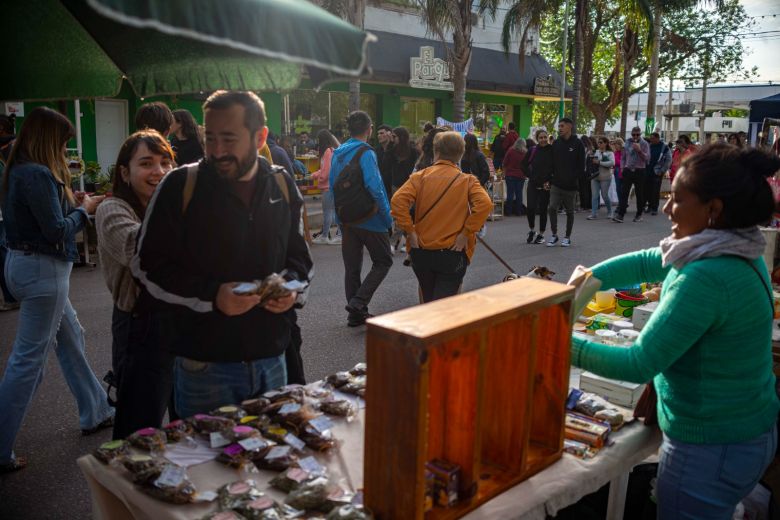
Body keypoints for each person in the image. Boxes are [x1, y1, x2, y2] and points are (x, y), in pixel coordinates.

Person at [572, 143, 780, 519]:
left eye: (678, 200)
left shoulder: (707, 276)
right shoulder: (737, 248)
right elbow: (649, 261)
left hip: (711, 449)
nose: (666, 207)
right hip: (747, 433)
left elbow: (638, 363)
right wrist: (588, 280)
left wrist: (556, 338)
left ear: (713, 209)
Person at [132, 91, 313, 418]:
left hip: (273, 360)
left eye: (228, 139)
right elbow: (146, 267)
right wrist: (214, 296)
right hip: (204, 367)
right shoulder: (179, 185)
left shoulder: (282, 184)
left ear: (260, 137)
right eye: (210, 137)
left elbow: (300, 260)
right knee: (209, 468)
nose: (216, 150)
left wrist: (291, 290)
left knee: (275, 462)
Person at [0, 107, 114, 472]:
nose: (66, 150)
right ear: (50, 139)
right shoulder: (37, 173)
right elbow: (57, 230)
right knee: (27, 363)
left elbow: (42, 219)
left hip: (25, 265)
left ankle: (95, 410)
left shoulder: (19, 169)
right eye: (64, 143)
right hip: (44, 271)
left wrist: (71, 203)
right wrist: (86, 210)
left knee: (71, 338)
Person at [96, 131, 175, 438]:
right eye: (147, 163)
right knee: (138, 432)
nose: (159, 171)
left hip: (177, 323)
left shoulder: (169, 208)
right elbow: (139, 250)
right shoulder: (111, 209)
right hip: (139, 328)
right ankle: (126, 486)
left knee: (189, 424)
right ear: (125, 172)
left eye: (165, 162)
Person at [391, 131, 492, 303]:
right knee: (444, 306)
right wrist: (465, 234)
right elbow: (485, 205)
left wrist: (410, 231)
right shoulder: (467, 181)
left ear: (436, 151)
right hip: (453, 250)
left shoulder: (419, 177)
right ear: (460, 154)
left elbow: (397, 201)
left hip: (421, 249)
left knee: (428, 300)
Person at [329, 111, 393, 327]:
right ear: (369, 129)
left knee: (352, 268)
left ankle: (355, 315)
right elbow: (376, 188)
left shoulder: (338, 152)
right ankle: (358, 302)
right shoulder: (366, 152)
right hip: (371, 218)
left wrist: (339, 219)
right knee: (383, 260)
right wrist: (388, 218)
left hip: (347, 219)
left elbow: (332, 188)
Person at [547, 117, 585, 247]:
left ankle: (567, 236)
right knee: (552, 208)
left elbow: (581, 166)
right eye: (559, 126)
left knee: (570, 212)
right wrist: (550, 178)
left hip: (571, 186)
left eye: (562, 126)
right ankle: (554, 234)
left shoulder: (578, 144)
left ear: (570, 126)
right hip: (556, 184)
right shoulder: (556, 143)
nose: (560, 128)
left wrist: (574, 178)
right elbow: (551, 163)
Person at [613, 126, 650, 223]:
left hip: (639, 170)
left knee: (639, 193)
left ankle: (639, 214)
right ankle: (620, 214)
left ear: (640, 134)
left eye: (637, 134)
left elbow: (647, 159)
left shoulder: (644, 144)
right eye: (633, 134)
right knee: (624, 193)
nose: (635, 136)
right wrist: (622, 167)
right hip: (628, 170)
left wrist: (639, 150)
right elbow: (623, 157)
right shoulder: (627, 143)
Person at [311, 129, 340, 245]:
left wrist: (319, 178)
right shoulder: (330, 150)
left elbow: (326, 171)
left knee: (327, 212)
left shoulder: (328, 151)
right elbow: (324, 169)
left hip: (327, 186)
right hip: (329, 185)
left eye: (319, 139)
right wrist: (315, 175)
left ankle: (325, 236)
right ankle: (328, 235)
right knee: (331, 212)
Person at [526, 129, 553, 244]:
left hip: (546, 185)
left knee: (543, 209)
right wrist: (530, 176)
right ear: (537, 139)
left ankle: (541, 234)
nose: (543, 140)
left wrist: (550, 181)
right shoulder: (533, 150)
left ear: (548, 137)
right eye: (540, 138)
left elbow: (556, 168)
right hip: (533, 183)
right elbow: (523, 164)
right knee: (530, 208)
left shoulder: (552, 151)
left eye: (544, 137)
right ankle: (532, 230)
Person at [586, 136, 615, 220]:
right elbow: (592, 162)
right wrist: (590, 156)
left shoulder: (610, 153)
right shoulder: (596, 152)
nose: (599, 144)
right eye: (598, 142)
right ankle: (594, 213)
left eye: (601, 142)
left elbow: (612, 163)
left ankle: (610, 212)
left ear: (606, 143)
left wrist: (599, 162)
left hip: (605, 177)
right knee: (594, 195)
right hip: (595, 176)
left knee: (604, 195)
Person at [644, 132, 672, 216]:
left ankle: (654, 208)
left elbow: (668, 160)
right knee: (647, 190)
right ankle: (649, 206)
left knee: (655, 191)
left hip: (657, 172)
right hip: (648, 171)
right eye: (650, 138)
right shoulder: (649, 146)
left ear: (657, 138)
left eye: (652, 138)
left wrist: (662, 170)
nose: (651, 140)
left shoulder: (664, 147)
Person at [502, 137, 528, 216]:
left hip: (510, 175)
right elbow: (527, 165)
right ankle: (519, 212)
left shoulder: (511, 150)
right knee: (519, 194)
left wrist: (504, 172)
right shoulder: (525, 152)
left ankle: (509, 212)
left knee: (510, 194)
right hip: (521, 176)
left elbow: (505, 162)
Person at [374, 124, 394, 196]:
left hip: (392, 188)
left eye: (382, 133)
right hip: (380, 187)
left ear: (389, 134)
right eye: (378, 134)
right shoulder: (376, 150)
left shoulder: (395, 149)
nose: (379, 135)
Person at [579, 135, 594, 211]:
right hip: (588, 172)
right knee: (588, 189)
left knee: (583, 189)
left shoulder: (584, 150)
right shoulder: (591, 150)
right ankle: (588, 205)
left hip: (583, 171)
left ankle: (584, 205)